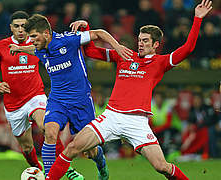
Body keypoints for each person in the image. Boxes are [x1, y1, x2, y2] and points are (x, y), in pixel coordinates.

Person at [46, 0, 212, 179]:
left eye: (146, 41)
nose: (140, 44)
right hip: (111, 116)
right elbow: (91, 52)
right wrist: (86, 27)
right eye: (139, 40)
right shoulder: (125, 55)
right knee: (72, 148)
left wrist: (197, 19)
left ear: (156, 44)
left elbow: (188, 49)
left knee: (162, 166)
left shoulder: (160, 63)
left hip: (137, 123)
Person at [9, 13, 132, 180]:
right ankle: (49, 176)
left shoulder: (68, 40)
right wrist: (20, 48)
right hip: (57, 100)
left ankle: (101, 163)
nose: (32, 41)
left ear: (46, 33)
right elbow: (33, 49)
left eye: (34, 36)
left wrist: (117, 47)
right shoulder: (39, 48)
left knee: (90, 150)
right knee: (50, 132)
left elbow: (99, 33)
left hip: (80, 101)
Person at [0, 11, 84, 180]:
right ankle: (38, 170)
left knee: (48, 128)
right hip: (13, 104)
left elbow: (59, 44)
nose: (21, 30)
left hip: (35, 96)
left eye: (24, 26)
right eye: (17, 26)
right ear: (11, 28)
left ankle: (65, 169)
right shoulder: (0, 46)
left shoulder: (37, 42)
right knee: (27, 147)